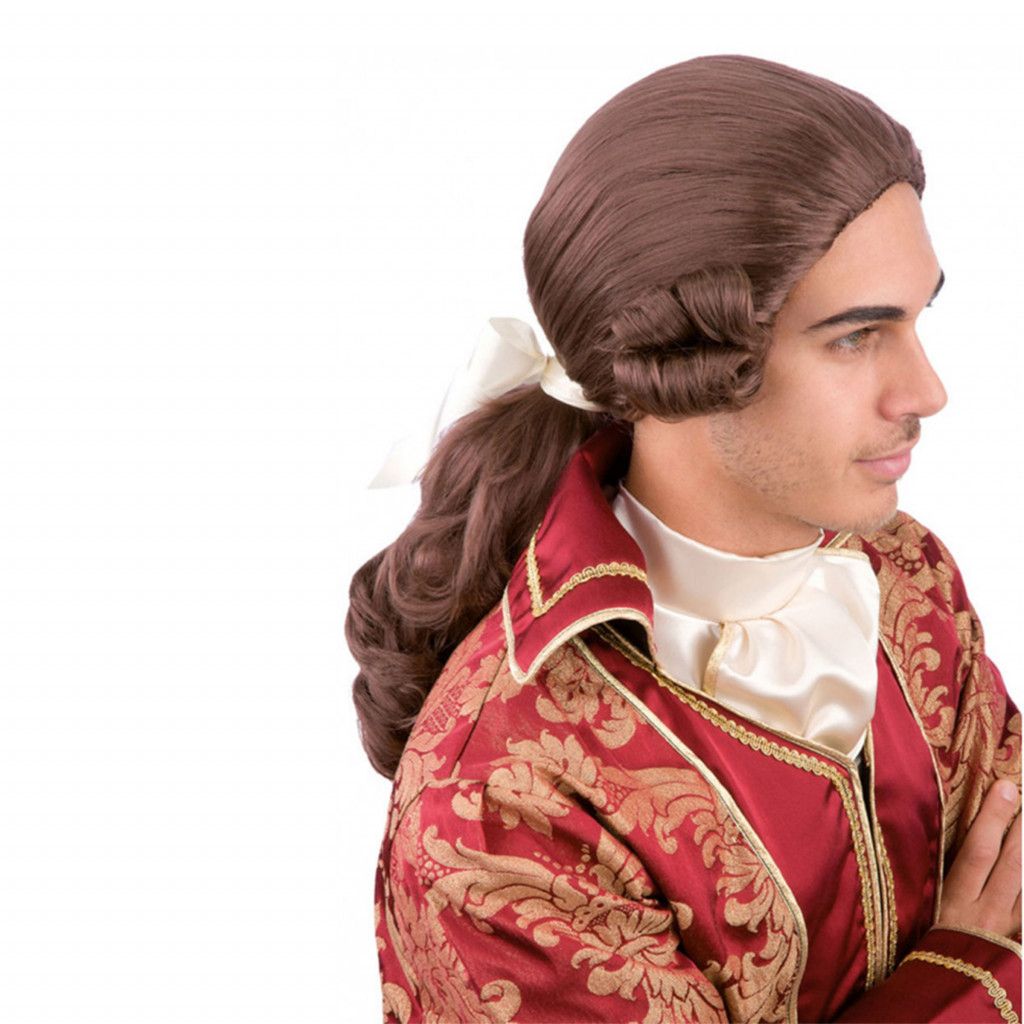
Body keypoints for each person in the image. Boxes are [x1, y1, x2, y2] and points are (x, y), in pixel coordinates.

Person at [346, 54, 1022, 1022]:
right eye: (854, 336)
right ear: (694, 363)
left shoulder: (906, 575)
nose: (928, 391)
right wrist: (968, 976)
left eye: (917, 319)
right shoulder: (503, 797)